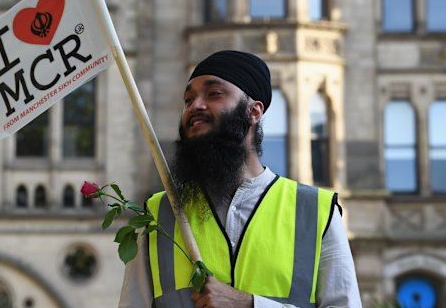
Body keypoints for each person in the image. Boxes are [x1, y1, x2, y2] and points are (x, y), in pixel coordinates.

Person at [118, 50, 362, 308]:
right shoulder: (157, 214)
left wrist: (249, 304)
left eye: (213, 94)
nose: (195, 107)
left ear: (254, 111)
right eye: (188, 99)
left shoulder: (316, 213)